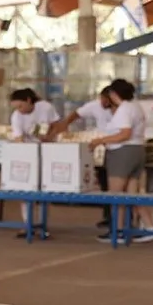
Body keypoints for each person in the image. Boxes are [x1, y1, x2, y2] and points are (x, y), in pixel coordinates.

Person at [89, 79, 153, 243]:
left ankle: (118, 230)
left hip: (122, 152)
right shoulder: (136, 106)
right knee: (132, 194)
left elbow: (124, 133)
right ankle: (150, 227)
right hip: (137, 151)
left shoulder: (124, 110)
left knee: (116, 195)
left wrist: (100, 141)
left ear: (114, 94)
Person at [48, 86, 114, 228]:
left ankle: (121, 219)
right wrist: (64, 127)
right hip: (100, 147)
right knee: (104, 183)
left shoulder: (121, 109)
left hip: (115, 146)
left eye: (106, 100)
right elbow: (75, 114)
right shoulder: (95, 106)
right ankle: (108, 216)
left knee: (115, 185)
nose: (103, 102)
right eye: (101, 98)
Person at [8, 88, 60, 239]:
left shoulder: (46, 107)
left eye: (21, 106)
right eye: (16, 108)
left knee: (44, 189)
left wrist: (50, 137)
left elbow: (57, 124)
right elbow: (18, 138)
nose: (19, 110)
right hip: (29, 152)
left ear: (29, 101)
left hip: (48, 150)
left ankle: (43, 224)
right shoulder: (16, 116)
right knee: (25, 188)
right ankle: (27, 223)